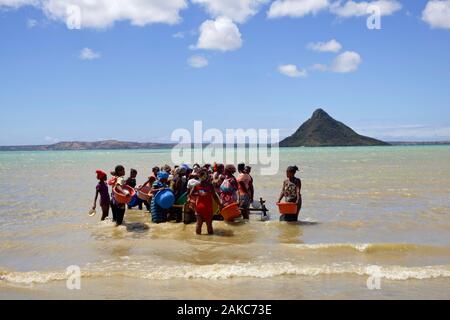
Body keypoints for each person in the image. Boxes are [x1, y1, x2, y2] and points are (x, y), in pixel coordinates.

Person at [190, 169, 222, 235]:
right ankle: (210, 241)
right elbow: (215, 196)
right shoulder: (210, 186)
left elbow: (191, 194)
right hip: (208, 208)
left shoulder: (196, 186)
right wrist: (220, 204)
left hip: (199, 207)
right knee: (209, 225)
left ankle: (197, 240)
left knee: (199, 224)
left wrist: (193, 202)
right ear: (206, 176)